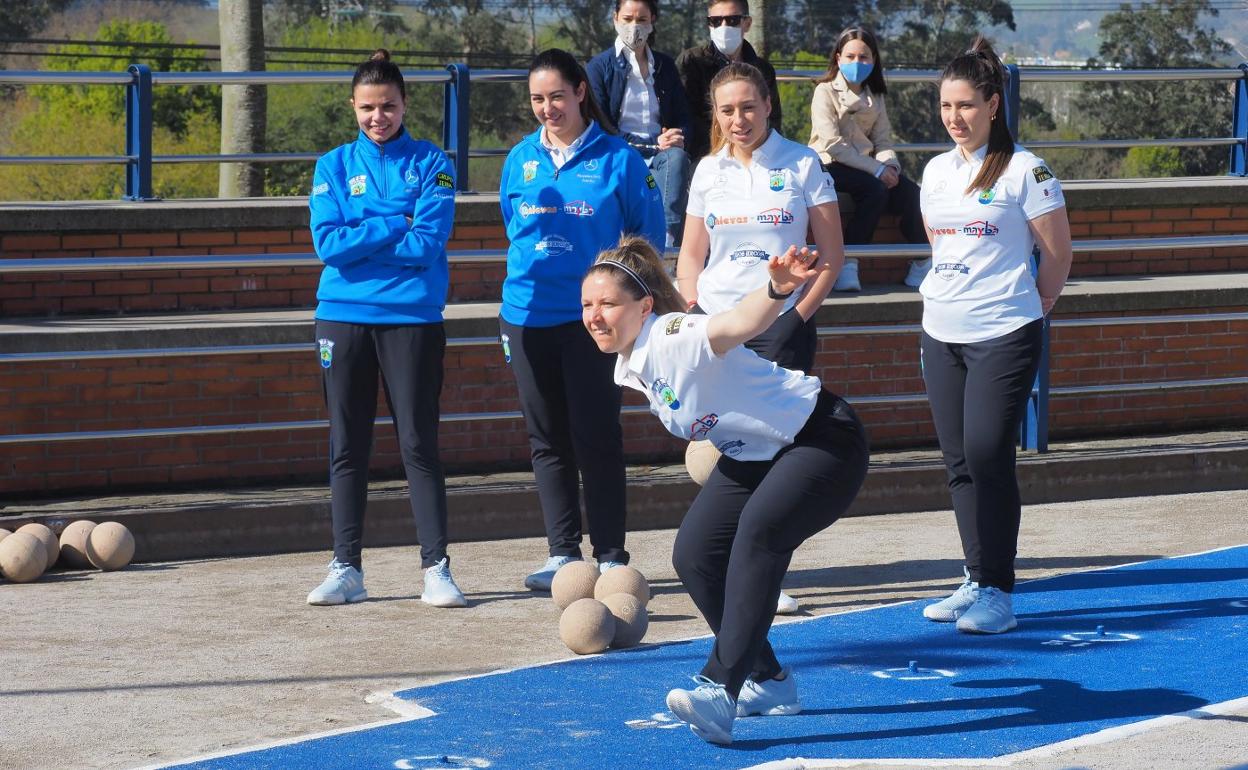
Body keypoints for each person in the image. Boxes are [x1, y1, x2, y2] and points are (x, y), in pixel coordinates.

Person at [581, 235, 869, 745]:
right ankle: (770, 681)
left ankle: (720, 687)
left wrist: (776, 289)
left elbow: (737, 324)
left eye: (607, 303)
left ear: (643, 306)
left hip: (822, 438)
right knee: (696, 555)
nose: (595, 315)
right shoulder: (632, 364)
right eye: (587, 304)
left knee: (759, 535)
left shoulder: (671, 333)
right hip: (755, 453)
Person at [917, 36, 1073, 634]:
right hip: (942, 330)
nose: (955, 118)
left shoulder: (1026, 170)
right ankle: (975, 576)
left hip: (1006, 330)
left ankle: (1000, 593)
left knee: (987, 452)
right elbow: (941, 246)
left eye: (966, 106)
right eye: (946, 108)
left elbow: (1057, 252)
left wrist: (1040, 302)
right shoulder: (934, 171)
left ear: (992, 105)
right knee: (957, 460)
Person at [677, 61, 843, 615]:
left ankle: (768, 569)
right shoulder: (707, 170)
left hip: (782, 329)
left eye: (748, 106)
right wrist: (698, 318)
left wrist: (794, 319)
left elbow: (831, 256)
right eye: (726, 110)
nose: (738, 118)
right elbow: (690, 260)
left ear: (768, 104)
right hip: (721, 332)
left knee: (778, 460)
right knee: (733, 453)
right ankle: (739, 565)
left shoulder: (802, 163)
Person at [499, 49, 666, 591]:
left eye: (557, 96)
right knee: (546, 438)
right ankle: (562, 554)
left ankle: (612, 554)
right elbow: (511, 225)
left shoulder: (619, 159)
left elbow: (649, 239)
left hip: (596, 321)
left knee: (596, 435)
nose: (548, 108)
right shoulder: (519, 159)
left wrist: (624, 304)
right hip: (527, 315)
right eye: (537, 99)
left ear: (580, 94)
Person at [306, 49, 465, 608]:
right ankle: (347, 566)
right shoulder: (332, 165)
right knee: (347, 445)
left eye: (389, 107)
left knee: (418, 444)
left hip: (411, 320)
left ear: (404, 105)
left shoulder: (431, 162)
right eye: (368, 108)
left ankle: (436, 567)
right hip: (341, 319)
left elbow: (428, 244)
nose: (379, 117)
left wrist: (364, 236)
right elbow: (328, 244)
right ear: (353, 107)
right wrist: (393, 220)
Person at [809, 26, 929, 293]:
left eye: (864, 57)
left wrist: (890, 166)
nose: (857, 63)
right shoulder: (825, 92)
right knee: (874, 190)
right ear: (838, 58)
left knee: (910, 193)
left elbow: (883, 140)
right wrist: (877, 170)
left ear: (873, 60)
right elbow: (831, 144)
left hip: (866, 166)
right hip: (829, 164)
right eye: (850, 56)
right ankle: (849, 260)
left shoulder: (875, 96)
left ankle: (922, 260)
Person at [587, 0, 693, 247]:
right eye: (627, 19)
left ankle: (664, 246)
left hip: (662, 155)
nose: (634, 27)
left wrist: (678, 136)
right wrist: (650, 144)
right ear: (615, 18)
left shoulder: (665, 66)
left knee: (677, 159)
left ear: (653, 21)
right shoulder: (599, 67)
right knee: (641, 181)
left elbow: (684, 116)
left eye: (642, 20)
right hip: (621, 153)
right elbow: (600, 124)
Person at [676, 0, 782, 162]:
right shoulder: (691, 62)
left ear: (747, 23)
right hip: (703, 156)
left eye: (732, 20)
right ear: (708, 25)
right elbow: (685, 118)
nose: (723, 27)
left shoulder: (763, 69)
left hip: (757, 156)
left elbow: (772, 120)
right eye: (716, 21)